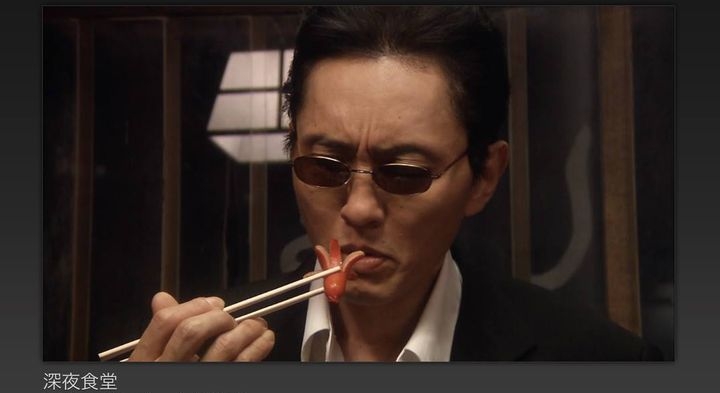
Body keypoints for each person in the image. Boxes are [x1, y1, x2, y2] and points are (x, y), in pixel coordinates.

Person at [128, 6, 662, 362]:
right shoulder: (201, 355)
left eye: (404, 174)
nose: (359, 209)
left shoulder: (598, 363)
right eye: (325, 166)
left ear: (485, 176)